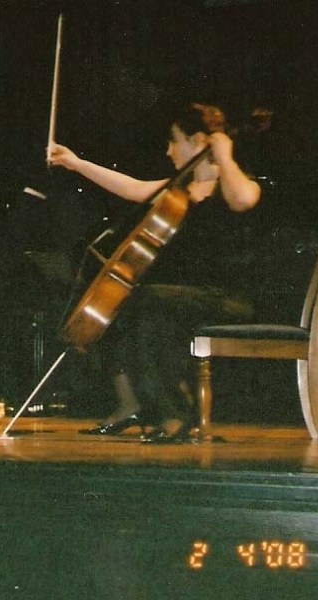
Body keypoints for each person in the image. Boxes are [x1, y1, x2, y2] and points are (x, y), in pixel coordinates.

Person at [49, 103, 262, 442]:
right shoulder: (179, 189)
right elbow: (132, 187)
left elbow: (243, 200)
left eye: (174, 141)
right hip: (181, 298)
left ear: (197, 141)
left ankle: (174, 412)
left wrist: (224, 156)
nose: (168, 150)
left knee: (145, 301)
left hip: (227, 297)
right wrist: (77, 164)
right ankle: (139, 403)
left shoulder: (235, 184)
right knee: (121, 302)